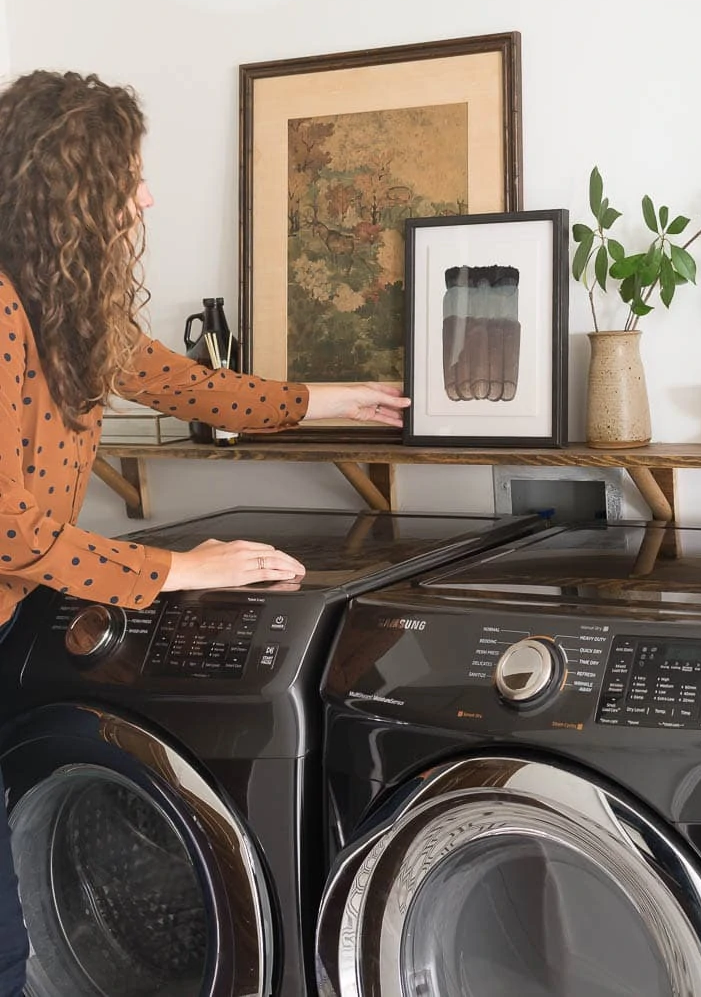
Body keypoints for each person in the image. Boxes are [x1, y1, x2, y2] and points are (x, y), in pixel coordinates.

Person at [0, 68, 409, 996]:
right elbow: (10, 527)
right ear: (71, 181)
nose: (145, 195)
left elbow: (192, 387)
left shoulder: (66, 306)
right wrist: (174, 568)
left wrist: (335, 400)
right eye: (130, 174)